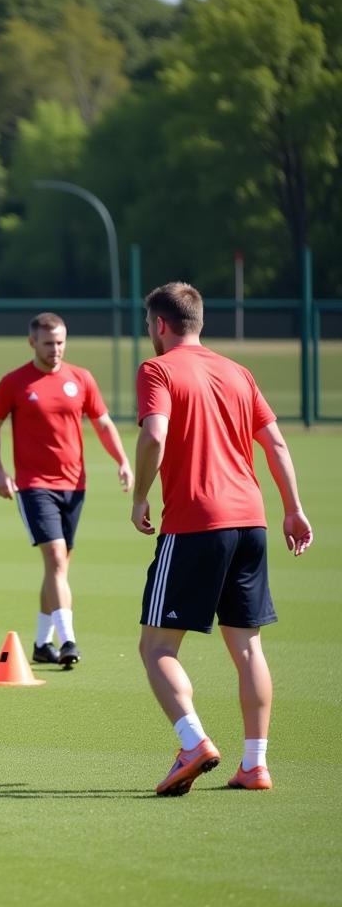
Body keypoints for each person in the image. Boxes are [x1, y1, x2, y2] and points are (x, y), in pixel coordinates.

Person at [133, 282, 313, 796]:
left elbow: (154, 435)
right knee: (249, 647)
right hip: (251, 522)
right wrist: (294, 509)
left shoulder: (158, 369)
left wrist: (140, 496)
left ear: (160, 325)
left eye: (150, 326)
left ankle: (192, 741)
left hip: (195, 523)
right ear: (201, 322)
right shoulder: (237, 372)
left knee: (157, 645)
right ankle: (254, 764)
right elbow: (275, 441)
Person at [0, 312, 132, 668]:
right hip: (34, 486)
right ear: (32, 342)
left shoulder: (81, 378)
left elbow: (103, 423)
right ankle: (68, 640)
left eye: (61, 342)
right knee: (54, 558)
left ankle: (40, 643)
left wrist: (122, 460)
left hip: (75, 485)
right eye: (49, 343)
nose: (56, 350)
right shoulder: (15, 382)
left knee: (59, 567)